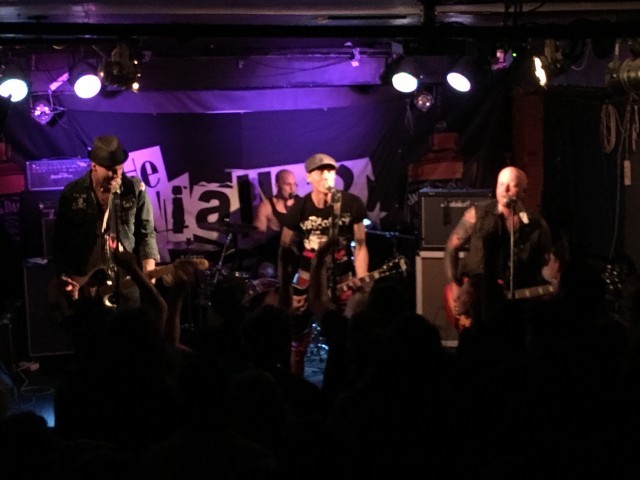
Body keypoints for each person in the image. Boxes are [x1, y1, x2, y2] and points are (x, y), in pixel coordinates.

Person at [280, 153, 369, 375]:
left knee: (345, 333)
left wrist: (362, 280)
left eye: (330, 171)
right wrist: (286, 289)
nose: (326, 176)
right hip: (306, 274)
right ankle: (295, 380)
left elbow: (360, 245)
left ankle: (342, 380)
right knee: (297, 335)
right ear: (309, 177)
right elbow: (284, 250)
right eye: (320, 171)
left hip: (341, 273)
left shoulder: (351, 203)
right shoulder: (300, 207)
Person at [52, 134, 160, 309]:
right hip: (86, 284)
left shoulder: (134, 189)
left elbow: (147, 232)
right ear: (94, 165)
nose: (117, 175)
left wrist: (149, 267)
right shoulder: (72, 193)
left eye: (120, 168)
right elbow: (60, 241)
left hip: (126, 282)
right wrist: (65, 275)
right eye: (110, 170)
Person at [443, 166, 552, 329]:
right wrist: (454, 284)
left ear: (524, 191)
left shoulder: (536, 224)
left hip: (515, 302)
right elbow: (452, 247)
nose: (505, 190)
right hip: (476, 296)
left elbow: (546, 262)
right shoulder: (478, 213)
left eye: (512, 185)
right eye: (501, 184)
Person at [251, 169, 300, 274]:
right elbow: (256, 238)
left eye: (294, 184)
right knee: (266, 270)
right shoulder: (265, 207)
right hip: (274, 256)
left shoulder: (300, 203)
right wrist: (272, 232)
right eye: (288, 185)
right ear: (277, 186)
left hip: (297, 255)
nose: (292, 189)